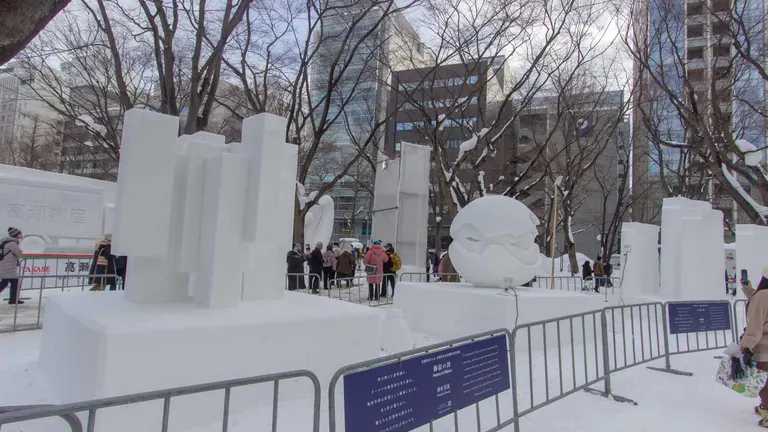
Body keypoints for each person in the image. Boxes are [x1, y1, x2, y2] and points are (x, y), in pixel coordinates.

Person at [737, 267, 768, 426]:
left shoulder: (763, 295)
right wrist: (749, 291)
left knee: (763, 381)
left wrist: (746, 345)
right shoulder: (761, 296)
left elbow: (756, 326)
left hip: (763, 346)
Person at [0, 227, 24, 304]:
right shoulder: (12, 243)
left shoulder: (6, 242)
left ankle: (13, 299)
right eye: (19, 233)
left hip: (5, 265)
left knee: (11, 282)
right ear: (16, 235)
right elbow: (19, 253)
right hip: (8, 266)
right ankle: (13, 299)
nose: (21, 235)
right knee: (7, 282)